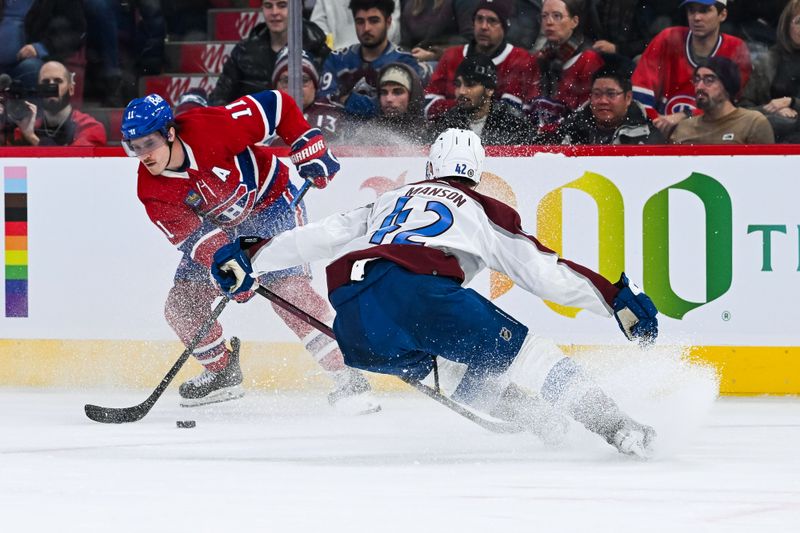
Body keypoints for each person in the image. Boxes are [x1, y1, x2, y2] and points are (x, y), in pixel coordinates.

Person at [211, 128, 660, 458]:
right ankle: (617, 427)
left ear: (431, 168)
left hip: (355, 317)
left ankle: (539, 419)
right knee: (531, 356)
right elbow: (539, 270)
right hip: (422, 293)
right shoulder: (484, 208)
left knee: (448, 367)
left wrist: (252, 254)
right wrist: (612, 298)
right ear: (475, 174)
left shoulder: (392, 197)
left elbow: (326, 234)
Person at [120, 90, 380, 414]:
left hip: (272, 206)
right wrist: (230, 268)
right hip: (223, 232)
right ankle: (222, 374)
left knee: (288, 291)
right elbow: (199, 240)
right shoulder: (151, 191)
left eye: (149, 142)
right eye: (135, 146)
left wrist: (306, 141)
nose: (144, 154)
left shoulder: (210, 127)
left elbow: (278, 104)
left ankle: (347, 375)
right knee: (181, 304)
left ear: (170, 132)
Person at [631, 0, 752, 138]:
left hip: (714, 133)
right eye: (691, 11)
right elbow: (640, 94)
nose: (696, 17)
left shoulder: (735, 48)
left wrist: (686, 116)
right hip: (659, 131)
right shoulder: (667, 38)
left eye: (705, 11)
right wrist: (656, 124)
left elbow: (729, 107)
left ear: (722, 15)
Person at [318, 0, 429, 119]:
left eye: (374, 21)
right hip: (339, 131)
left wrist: (348, 99)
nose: (366, 28)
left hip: (390, 133)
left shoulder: (405, 61)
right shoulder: (337, 59)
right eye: (360, 22)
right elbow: (324, 102)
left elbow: (405, 108)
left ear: (388, 22)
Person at [424, 0, 533, 120]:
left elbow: (510, 113)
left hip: (493, 136)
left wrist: (458, 105)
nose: (483, 26)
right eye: (479, 19)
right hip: (449, 130)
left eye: (492, 21)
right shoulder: (451, 55)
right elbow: (429, 105)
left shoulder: (520, 58)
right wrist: (476, 104)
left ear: (505, 25)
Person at [208, 0, 330, 106]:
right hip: (255, 125)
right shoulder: (244, 51)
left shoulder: (318, 48)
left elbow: (328, 98)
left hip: (306, 124)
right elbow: (219, 98)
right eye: (268, 6)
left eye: (282, 5)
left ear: (298, 8)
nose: (274, 12)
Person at [526, 0, 605, 134]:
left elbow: (586, 114)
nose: (549, 22)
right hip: (539, 136)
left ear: (574, 21)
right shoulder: (539, 58)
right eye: (544, 16)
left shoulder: (588, 59)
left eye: (557, 16)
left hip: (574, 139)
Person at [428, 54, 536, 144]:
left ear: (489, 90)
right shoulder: (445, 123)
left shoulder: (514, 124)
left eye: (470, 85)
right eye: (458, 84)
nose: (461, 91)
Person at [670, 56, 775, 144]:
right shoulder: (684, 128)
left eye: (709, 80)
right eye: (697, 80)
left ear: (727, 85)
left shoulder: (752, 122)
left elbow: (763, 167)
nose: (699, 87)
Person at [548, 66, 665, 144]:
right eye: (597, 94)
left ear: (628, 98)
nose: (603, 101)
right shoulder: (572, 128)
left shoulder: (649, 135)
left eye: (611, 94)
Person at [739, 0, 800, 143]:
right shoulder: (767, 61)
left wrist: (791, 102)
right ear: (786, 25)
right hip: (774, 137)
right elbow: (743, 107)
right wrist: (772, 111)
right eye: (798, 22)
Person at [6, 60, 106, 146]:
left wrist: (32, 138)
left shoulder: (90, 127)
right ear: (39, 89)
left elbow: (74, 164)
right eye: (45, 82)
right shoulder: (27, 127)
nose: (51, 86)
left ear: (71, 89)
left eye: (58, 81)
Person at [0, 0, 86, 91]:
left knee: (37, 71)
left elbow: (76, 33)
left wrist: (40, 48)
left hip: (33, 62)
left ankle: (34, 105)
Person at [271, 49, 346, 143]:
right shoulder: (261, 116)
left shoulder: (337, 115)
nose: (295, 87)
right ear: (275, 86)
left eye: (303, 80)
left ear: (315, 85)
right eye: (287, 81)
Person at [346, 62, 428, 144]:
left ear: (412, 95)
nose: (389, 99)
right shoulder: (367, 133)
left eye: (398, 92)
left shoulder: (430, 132)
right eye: (384, 92)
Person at [311, 0, 402, 49]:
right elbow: (317, 26)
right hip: (338, 53)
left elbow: (392, 27)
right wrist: (330, 47)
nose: (366, 28)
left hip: (380, 53)